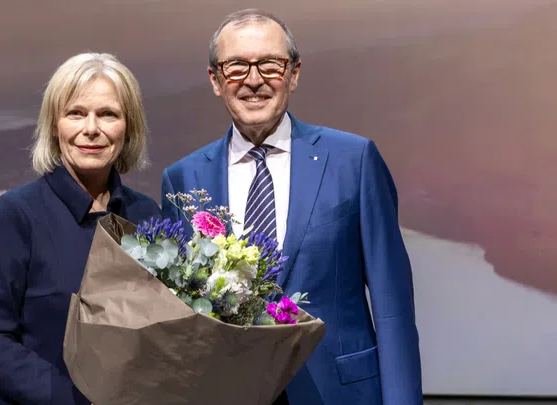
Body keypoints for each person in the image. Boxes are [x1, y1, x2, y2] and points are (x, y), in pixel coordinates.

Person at [160, 9, 422, 405]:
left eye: (270, 64)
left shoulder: (354, 161)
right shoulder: (184, 178)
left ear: (294, 73)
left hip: (337, 393)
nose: (254, 80)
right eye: (236, 67)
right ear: (215, 79)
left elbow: (392, 306)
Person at [0, 53, 161, 405]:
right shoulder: (18, 213)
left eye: (108, 114)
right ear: (55, 126)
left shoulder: (147, 214)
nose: (91, 128)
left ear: (128, 127)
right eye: (76, 113)